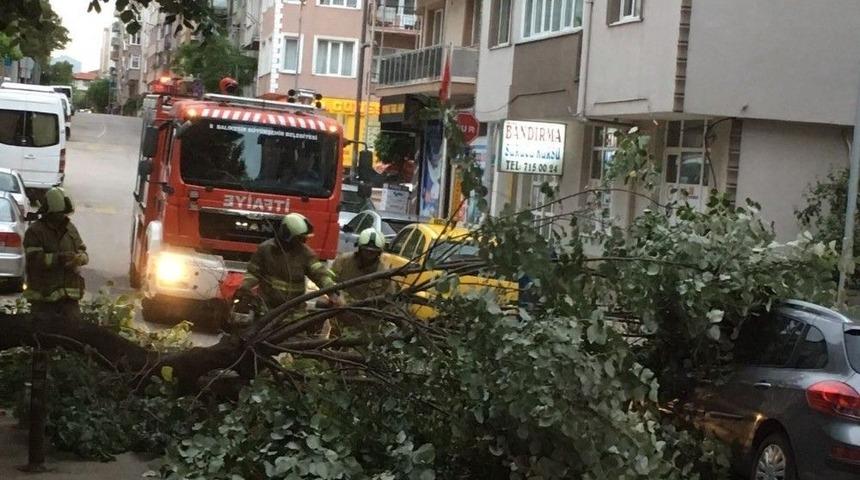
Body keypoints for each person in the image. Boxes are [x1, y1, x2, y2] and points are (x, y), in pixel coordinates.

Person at [236, 212, 339, 313]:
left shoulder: (306, 254)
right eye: (299, 238)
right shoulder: (266, 249)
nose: (302, 242)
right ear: (287, 235)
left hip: (295, 311)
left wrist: (332, 292)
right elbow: (253, 273)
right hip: (266, 309)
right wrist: (245, 287)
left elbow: (319, 274)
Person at [24, 187, 88, 318]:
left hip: (69, 300)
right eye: (58, 213)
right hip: (44, 300)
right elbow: (34, 260)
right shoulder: (35, 231)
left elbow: (83, 251)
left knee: (73, 333)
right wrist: (60, 258)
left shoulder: (70, 229)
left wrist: (80, 258)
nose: (62, 217)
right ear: (49, 212)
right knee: (43, 335)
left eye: (64, 213)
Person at [331, 228, 392, 302]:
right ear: (360, 249)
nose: (369, 253)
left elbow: (388, 298)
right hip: (338, 306)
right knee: (322, 303)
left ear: (379, 253)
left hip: (365, 310)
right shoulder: (343, 261)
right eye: (366, 250)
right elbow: (329, 282)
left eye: (373, 252)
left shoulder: (384, 273)